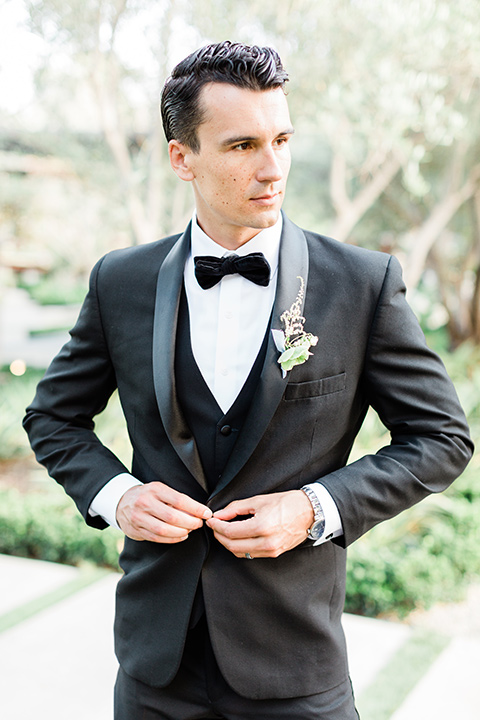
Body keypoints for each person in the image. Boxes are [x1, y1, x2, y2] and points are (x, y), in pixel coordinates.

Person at [24, 41, 473, 719]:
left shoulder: (361, 283)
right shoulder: (121, 280)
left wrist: (313, 508)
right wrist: (117, 495)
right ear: (183, 158)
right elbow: (52, 417)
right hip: (154, 671)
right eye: (241, 146)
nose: (272, 169)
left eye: (282, 139)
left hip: (295, 668)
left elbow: (441, 438)